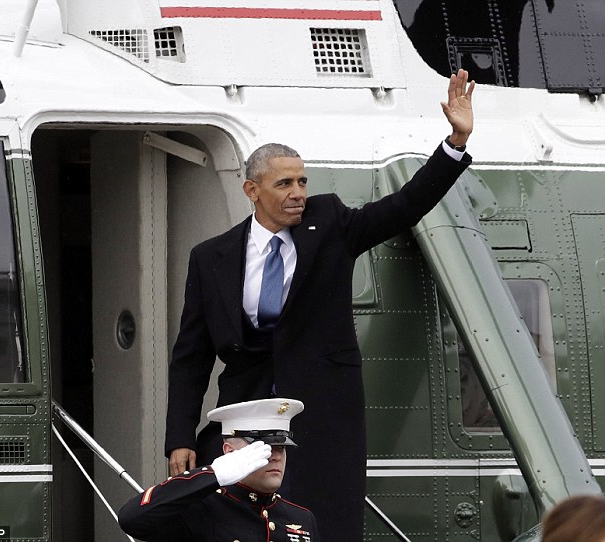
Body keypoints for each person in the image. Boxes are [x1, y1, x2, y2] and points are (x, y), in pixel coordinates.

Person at [165, 69, 475, 541]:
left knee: (323, 521)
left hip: (321, 410)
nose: (298, 194)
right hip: (244, 410)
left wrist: (455, 141)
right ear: (252, 191)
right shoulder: (211, 257)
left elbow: (404, 207)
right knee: (238, 521)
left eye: (302, 182)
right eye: (285, 184)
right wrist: (181, 438)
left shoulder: (329, 224)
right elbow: (190, 357)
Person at [120, 398, 317, 541]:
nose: (275, 455)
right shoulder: (202, 509)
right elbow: (132, 519)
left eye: (281, 447)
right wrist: (212, 474)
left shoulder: (301, 518)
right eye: (262, 448)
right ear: (229, 451)